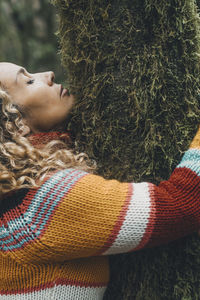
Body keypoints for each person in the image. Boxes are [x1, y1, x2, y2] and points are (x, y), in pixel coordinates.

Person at [0, 62, 200, 300]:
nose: (48, 75)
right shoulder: (39, 204)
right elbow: (181, 205)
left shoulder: (16, 196)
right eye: (29, 81)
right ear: (15, 123)